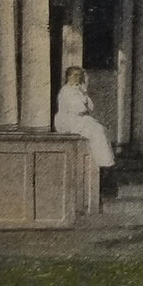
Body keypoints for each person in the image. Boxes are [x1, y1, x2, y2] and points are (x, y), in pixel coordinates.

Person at [54, 66, 117, 197]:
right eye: (75, 75)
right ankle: (105, 166)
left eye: (79, 75)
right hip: (69, 120)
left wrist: (84, 92)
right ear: (68, 77)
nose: (77, 78)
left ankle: (106, 166)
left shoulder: (79, 90)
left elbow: (91, 107)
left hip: (80, 119)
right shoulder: (66, 91)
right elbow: (79, 108)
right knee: (97, 131)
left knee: (101, 130)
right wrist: (83, 98)